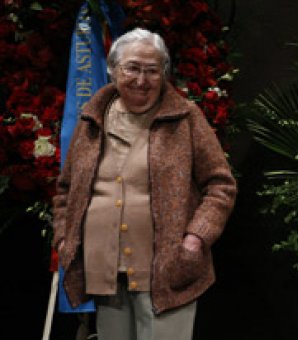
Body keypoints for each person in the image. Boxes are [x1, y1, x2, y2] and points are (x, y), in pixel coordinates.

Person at [52, 27, 237, 340]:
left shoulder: (186, 118)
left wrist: (195, 239)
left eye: (152, 70)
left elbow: (221, 185)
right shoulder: (92, 118)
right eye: (132, 68)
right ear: (113, 70)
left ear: (163, 73)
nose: (142, 80)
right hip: (105, 272)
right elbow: (65, 190)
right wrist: (63, 239)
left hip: (167, 272)